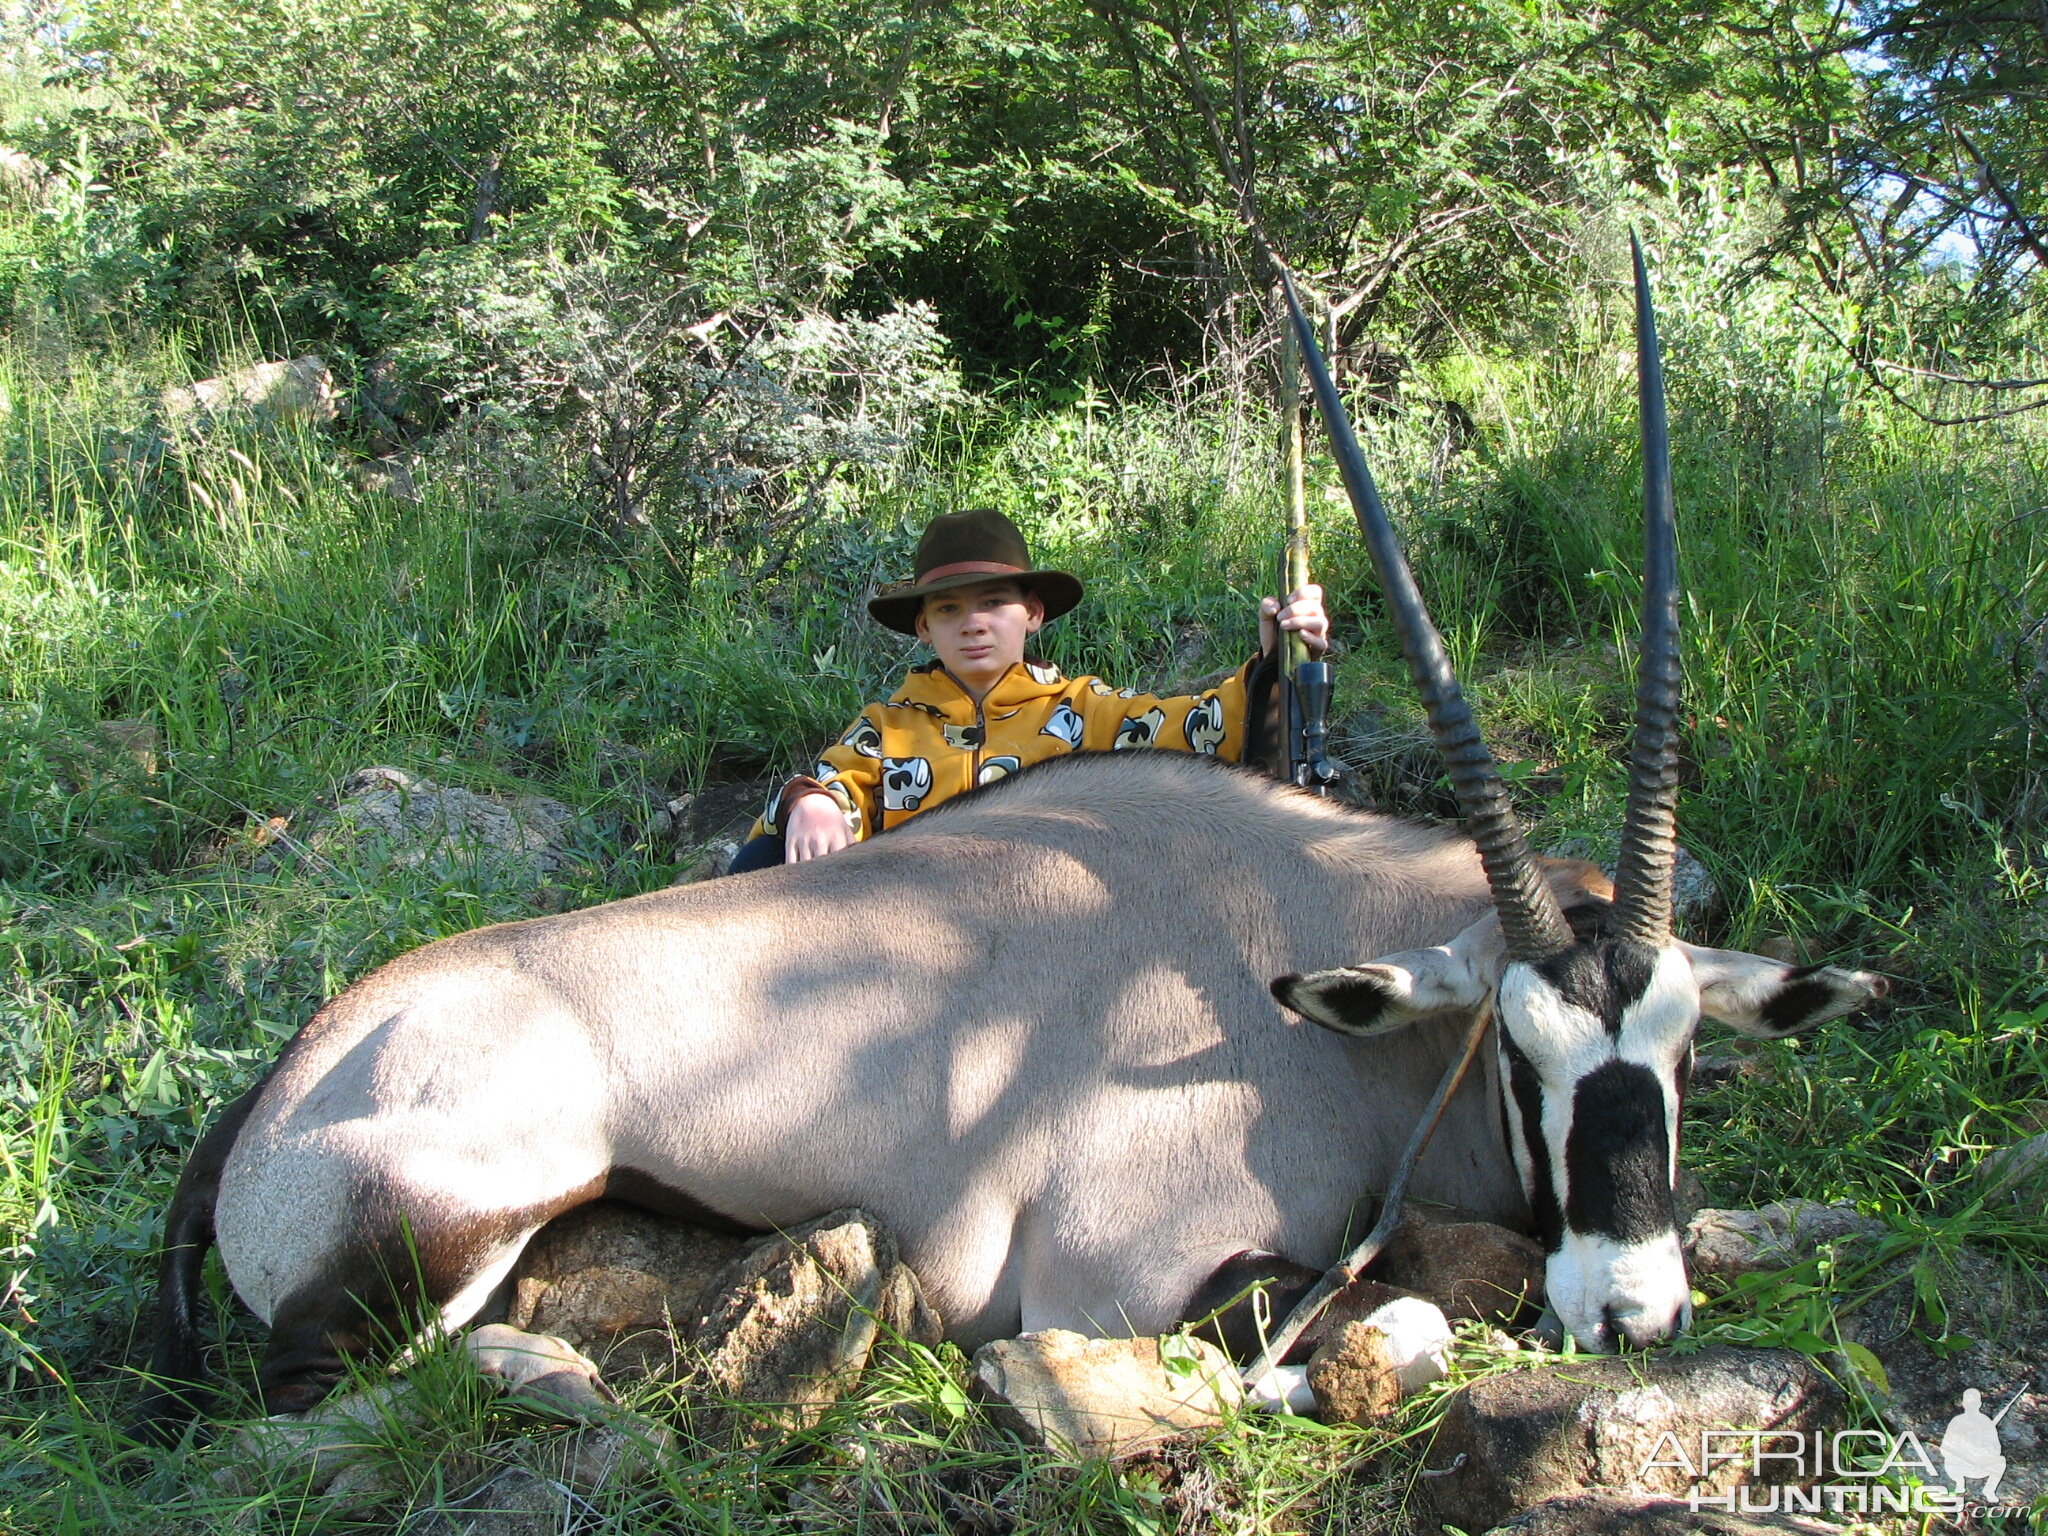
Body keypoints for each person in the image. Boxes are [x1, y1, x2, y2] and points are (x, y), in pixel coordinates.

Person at [729, 507, 1330, 872]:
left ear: (1033, 612)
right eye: (948, 608)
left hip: (1042, 931)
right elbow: (839, 783)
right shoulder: (889, 726)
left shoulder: (1084, 711)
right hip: (906, 932)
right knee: (763, 858)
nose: (973, 622)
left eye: (994, 602)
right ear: (923, 626)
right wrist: (810, 800)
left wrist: (1275, 661)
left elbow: (1199, 730)